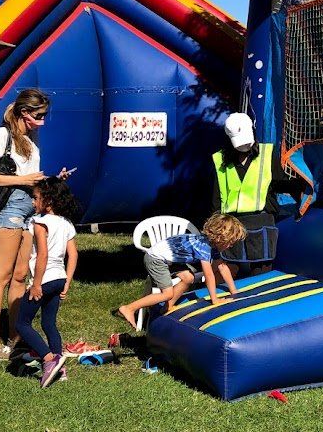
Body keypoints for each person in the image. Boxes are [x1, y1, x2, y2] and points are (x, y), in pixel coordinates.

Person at [0, 88, 61, 360]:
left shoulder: (31, 139)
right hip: (10, 208)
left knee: (21, 275)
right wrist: (23, 180)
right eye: (39, 116)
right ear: (25, 113)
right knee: (0, 277)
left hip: (29, 208)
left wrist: (51, 180)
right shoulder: (3, 135)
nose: (43, 122)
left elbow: (29, 175)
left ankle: (16, 336)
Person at [114, 213, 246, 328]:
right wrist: (215, 299)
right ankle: (129, 308)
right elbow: (209, 275)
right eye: (230, 242)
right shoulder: (203, 246)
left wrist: (234, 291)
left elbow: (222, 266)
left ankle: (167, 308)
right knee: (167, 294)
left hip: (170, 260)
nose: (231, 246)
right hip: (156, 259)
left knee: (188, 277)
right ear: (219, 238)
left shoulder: (211, 245)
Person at [212, 112, 303, 274]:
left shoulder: (266, 155)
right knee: (230, 273)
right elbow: (216, 198)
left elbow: (281, 184)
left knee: (261, 274)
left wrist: (304, 190)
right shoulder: (220, 160)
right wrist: (217, 227)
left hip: (261, 222)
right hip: (232, 224)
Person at [15, 177, 78, 389]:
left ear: (48, 200)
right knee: (48, 323)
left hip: (44, 280)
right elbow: (73, 254)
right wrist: (67, 282)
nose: (33, 202)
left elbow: (42, 255)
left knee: (22, 323)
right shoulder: (66, 223)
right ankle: (60, 367)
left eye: (36, 198)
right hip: (59, 278)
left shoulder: (40, 223)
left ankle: (49, 359)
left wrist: (36, 284)